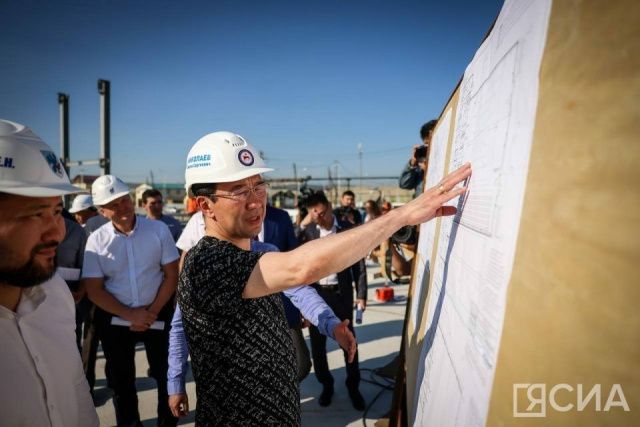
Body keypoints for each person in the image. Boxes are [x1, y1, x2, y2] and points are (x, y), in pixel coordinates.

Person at [178, 130, 471, 425]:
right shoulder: (206, 263)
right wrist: (401, 216)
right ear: (205, 205)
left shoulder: (262, 253)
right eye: (240, 191)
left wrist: (331, 324)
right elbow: (301, 268)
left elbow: (299, 288)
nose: (255, 202)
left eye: (259, 187)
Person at [0, 119, 99, 426]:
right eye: (36, 214)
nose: (57, 232)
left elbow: (77, 395)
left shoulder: (54, 293)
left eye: (57, 211)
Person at [82, 174, 179, 427]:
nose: (122, 207)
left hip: (158, 313)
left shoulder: (158, 230)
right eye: (113, 205)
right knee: (122, 383)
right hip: (116, 320)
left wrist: (151, 312)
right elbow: (94, 290)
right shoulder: (96, 241)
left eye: (124, 200)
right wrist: (131, 314)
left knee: (166, 377)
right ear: (102, 211)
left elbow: (171, 275)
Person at [299, 191, 367, 409]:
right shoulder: (308, 231)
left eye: (321, 212)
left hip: (341, 295)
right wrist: (303, 223)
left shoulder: (347, 229)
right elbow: (293, 257)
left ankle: (353, 386)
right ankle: (326, 385)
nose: (319, 217)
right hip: (316, 295)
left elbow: (359, 266)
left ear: (329, 206)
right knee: (318, 348)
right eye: (314, 213)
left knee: (348, 342)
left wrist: (361, 295)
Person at [399, 120, 437, 198]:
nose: (430, 148)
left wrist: (430, 171)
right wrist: (412, 164)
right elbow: (404, 184)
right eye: (427, 144)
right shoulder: (420, 165)